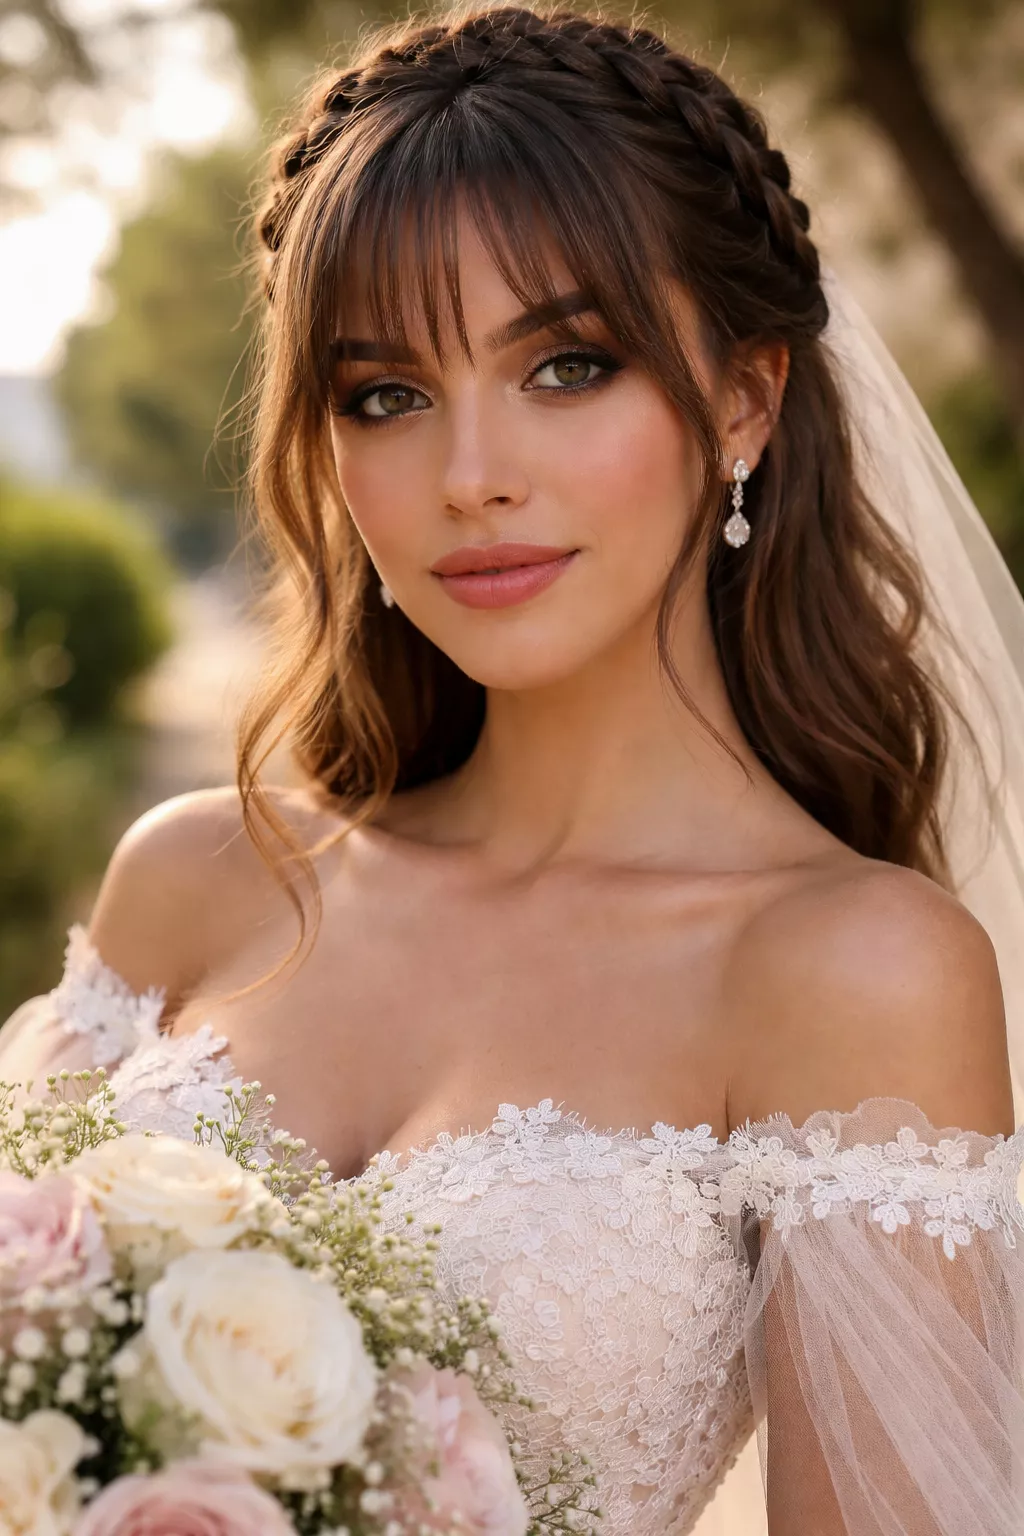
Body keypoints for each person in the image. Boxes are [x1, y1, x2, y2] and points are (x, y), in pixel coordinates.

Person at [2, 8, 1023, 1533]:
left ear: (746, 398)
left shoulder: (849, 973)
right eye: (385, 394)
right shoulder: (195, 884)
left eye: (566, 365)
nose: (471, 471)